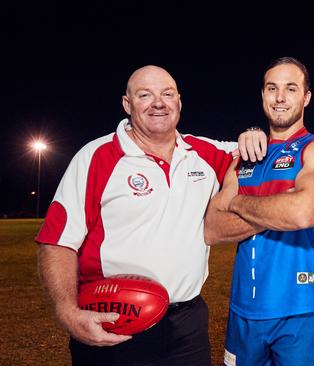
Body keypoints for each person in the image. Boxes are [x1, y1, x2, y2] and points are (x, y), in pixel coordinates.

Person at [34, 65, 264, 365]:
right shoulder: (96, 157)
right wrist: (67, 311)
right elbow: (57, 241)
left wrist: (254, 133)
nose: (158, 103)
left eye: (167, 94)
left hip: (186, 323)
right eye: (145, 95)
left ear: (179, 102)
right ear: (127, 104)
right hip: (115, 320)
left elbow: (264, 154)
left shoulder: (204, 154)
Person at [204, 57, 314, 365]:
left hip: (301, 310)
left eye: (291, 89)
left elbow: (301, 214)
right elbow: (212, 228)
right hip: (244, 311)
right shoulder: (243, 159)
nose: (280, 97)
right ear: (263, 94)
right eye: (272, 88)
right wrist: (280, 204)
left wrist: (236, 203)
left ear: (306, 97)